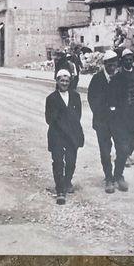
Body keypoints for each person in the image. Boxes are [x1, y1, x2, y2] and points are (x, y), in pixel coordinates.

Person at [87, 50, 129, 194]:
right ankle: (109, 178)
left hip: (118, 121)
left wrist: (119, 113)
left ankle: (119, 175)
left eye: (115, 63)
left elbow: (125, 99)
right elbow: (92, 99)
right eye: (110, 64)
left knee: (123, 149)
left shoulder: (121, 78)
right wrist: (103, 113)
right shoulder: (97, 79)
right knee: (105, 152)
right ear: (105, 64)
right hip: (102, 122)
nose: (113, 66)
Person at [45, 69, 84, 205]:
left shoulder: (75, 96)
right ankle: (60, 190)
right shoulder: (51, 98)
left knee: (71, 161)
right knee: (58, 162)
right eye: (62, 80)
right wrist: (62, 123)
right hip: (57, 135)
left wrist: (70, 126)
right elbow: (49, 119)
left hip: (72, 135)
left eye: (67, 81)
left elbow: (78, 115)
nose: (64, 83)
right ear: (57, 81)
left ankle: (67, 181)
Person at [112, 49, 134, 169]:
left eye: (130, 59)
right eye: (126, 59)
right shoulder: (118, 74)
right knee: (124, 133)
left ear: (133, 60)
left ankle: (128, 153)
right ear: (122, 60)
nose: (128, 61)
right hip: (123, 109)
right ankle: (123, 155)